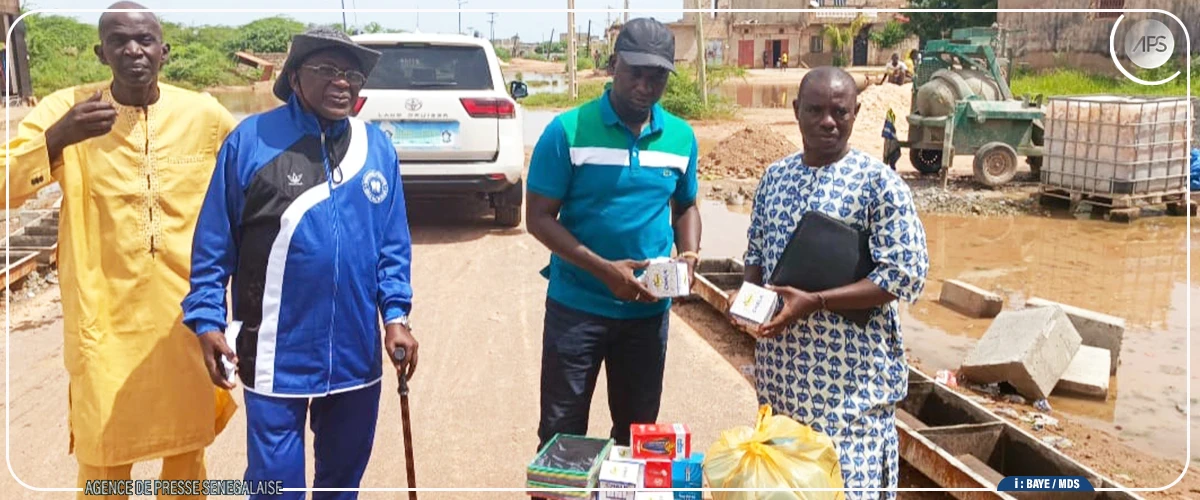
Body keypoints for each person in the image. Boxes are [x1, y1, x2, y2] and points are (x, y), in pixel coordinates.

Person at [2, 2, 238, 496]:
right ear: (101, 53)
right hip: (103, 323)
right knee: (104, 460)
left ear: (164, 51)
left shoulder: (203, 115)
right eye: (119, 41)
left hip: (183, 320)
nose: (133, 51)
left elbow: (252, 182)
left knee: (186, 460)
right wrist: (58, 138)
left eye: (145, 40)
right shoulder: (66, 109)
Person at [180, 27, 418, 496]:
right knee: (275, 485)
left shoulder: (377, 148)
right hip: (273, 354)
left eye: (352, 74)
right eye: (326, 70)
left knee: (340, 485)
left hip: (354, 357)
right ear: (294, 78)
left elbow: (392, 247)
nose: (342, 82)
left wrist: (396, 317)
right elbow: (213, 247)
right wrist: (207, 319)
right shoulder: (250, 142)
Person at [734, 67, 929, 498]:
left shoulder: (879, 184)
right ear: (796, 111)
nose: (828, 121)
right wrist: (747, 302)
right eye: (816, 110)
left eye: (839, 112)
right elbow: (756, 256)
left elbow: (904, 274)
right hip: (782, 385)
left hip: (851, 395)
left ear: (855, 112)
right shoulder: (775, 179)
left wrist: (817, 300)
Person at [525, 17, 702, 453]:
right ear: (612, 65)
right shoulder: (567, 132)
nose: (644, 85)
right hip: (577, 307)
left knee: (637, 435)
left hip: (647, 314)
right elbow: (539, 218)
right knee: (562, 435)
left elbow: (686, 206)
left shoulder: (681, 138)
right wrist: (605, 271)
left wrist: (689, 255)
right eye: (635, 72)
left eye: (657, 76)